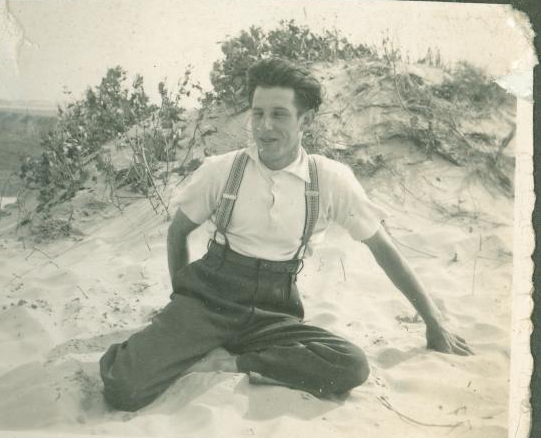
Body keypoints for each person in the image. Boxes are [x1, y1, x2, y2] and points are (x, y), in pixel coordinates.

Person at [99, 57, 472, 412]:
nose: (265, 126)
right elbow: (177, 233)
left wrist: (434, 322)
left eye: (279, 114)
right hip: (208, 298)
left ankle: (229, 362)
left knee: (351, 365)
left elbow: (383, 248)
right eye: (257, 113)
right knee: (124, 387)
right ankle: (172, 343)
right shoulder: (222, 170)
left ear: (304, 119)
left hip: (273, 311)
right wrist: (180, 302)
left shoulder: (328, 179)